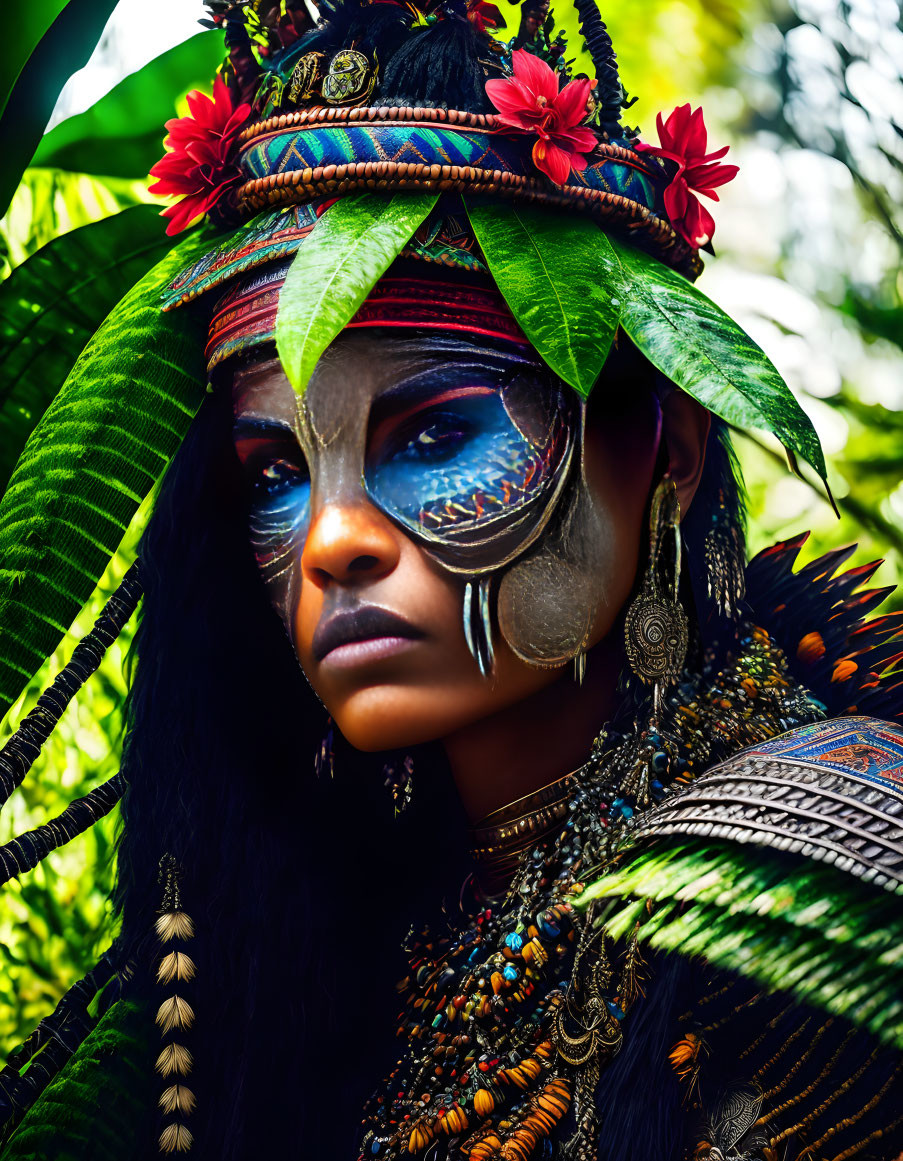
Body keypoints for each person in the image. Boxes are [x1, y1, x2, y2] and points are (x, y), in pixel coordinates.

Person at [0, 1, 901, 1159]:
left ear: (665, 454)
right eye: (276, 470)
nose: (331, 542)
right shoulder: (333, 926)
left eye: (432, 437)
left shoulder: (826, 856)